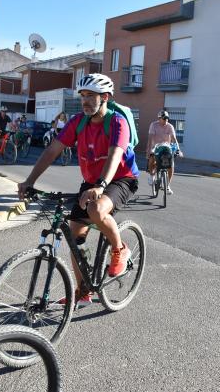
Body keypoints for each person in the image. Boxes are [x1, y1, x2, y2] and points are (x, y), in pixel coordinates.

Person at [17, 73, 139, 307]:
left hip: (121, 178)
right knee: (74, 237)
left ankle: (120, 248)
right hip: (93, 182)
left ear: (104, 97)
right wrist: (29, 181)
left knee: (96, 209)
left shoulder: (116, 122)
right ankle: (83, 291)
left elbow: (115, 155)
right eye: (82, 95)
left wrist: (101, 186)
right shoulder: (77, 122)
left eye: (90, 96)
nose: (85, 101)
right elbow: (52, 150)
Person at [146, 110, 183, 195]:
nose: (166, 120)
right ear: (159, 118)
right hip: (156, 147)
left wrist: (178, 149)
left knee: (171, 164)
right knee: (151, 159)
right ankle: (152, 176)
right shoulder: (153, 125)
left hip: (166, 147)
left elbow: (174, 139)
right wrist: (148, 150)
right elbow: (150, 138)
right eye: (164, 118)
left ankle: (167, 185)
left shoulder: (170, 126)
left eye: (167, 118)